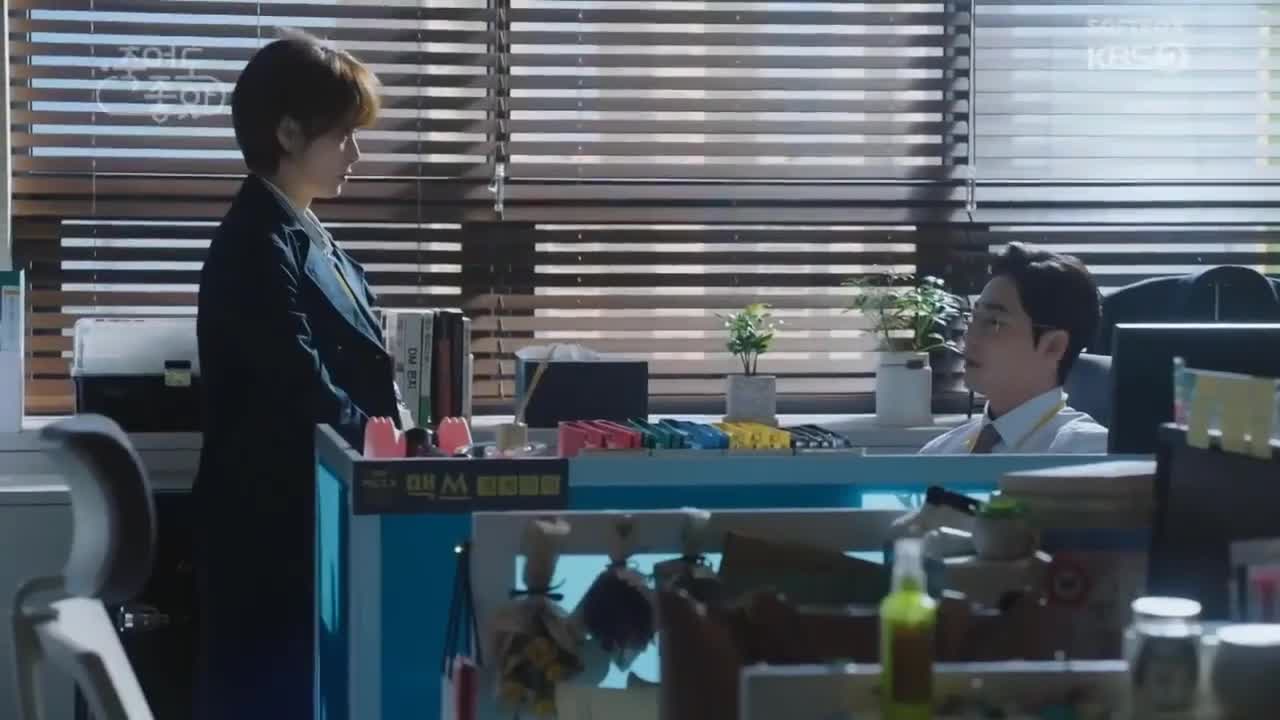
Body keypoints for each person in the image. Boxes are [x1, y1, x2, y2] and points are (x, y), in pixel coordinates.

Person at [192, 30, 400, 720]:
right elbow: (300, 389)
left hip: (315, 525)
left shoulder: (308, 237)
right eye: (342, 135)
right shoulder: (255, 245)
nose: (355, 154)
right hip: (272, 541)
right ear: (287, 132)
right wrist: (393, 448)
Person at [919, 243, 1108, 454]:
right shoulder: (938, 452)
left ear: (1053, 346)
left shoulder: (1088, 452)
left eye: (993, 322)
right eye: (973, 318)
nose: (969, 336)